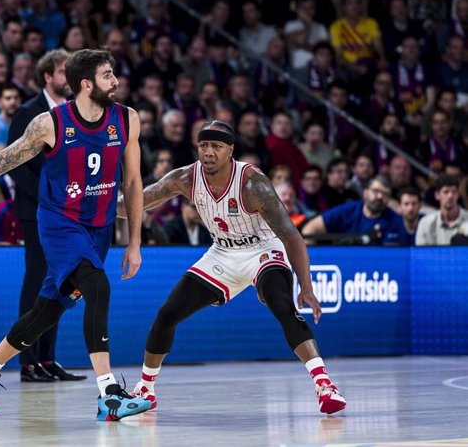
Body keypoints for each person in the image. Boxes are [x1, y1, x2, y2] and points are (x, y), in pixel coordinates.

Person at [0, 49, 151, 420]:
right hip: (59, 224)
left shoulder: (127, 119)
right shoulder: (49, 123)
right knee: (98, 286)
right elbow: (1, 162)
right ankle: (109, 393)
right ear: (86, 85)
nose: (116, 82)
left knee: (49, 310)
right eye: (107, 75)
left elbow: (132, 182)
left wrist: (134, 242)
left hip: (99, 227)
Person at [116, 120, 346, 415]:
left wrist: (307, 287)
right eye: (203, 146)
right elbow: (138, 201)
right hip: (222, 253)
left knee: (282, 306)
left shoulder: (253, 183)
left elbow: (291, 236)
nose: (208, 152)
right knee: (167, 314)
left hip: (263, 250)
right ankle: (145, 389)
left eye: (216, 146)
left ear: (231, 151)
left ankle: (324, 385)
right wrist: (102, 202)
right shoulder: (187, 177)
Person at [5, 49, 85, 383]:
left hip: (67, 213)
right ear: (47, 77)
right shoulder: (28, 113)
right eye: (62, 72)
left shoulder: (74, 113)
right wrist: (50, 198)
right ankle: (27, 361)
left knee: (60, 282)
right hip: (37, 211)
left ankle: (48, 359)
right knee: (36, 280)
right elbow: (15, 165)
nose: (68, 77)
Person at [302, 175, 405, 246]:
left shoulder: (394, 220)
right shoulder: (349, 210)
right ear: (366, 192)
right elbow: (309, 229)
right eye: (376, 191)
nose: (379, 196)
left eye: (385, 194)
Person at [416, 174, 468, 246]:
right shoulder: (425, 223)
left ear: (458, 194)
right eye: (446, 192)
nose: (450, 196)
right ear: (437, 195)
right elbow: (421, 255)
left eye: (454, 192)